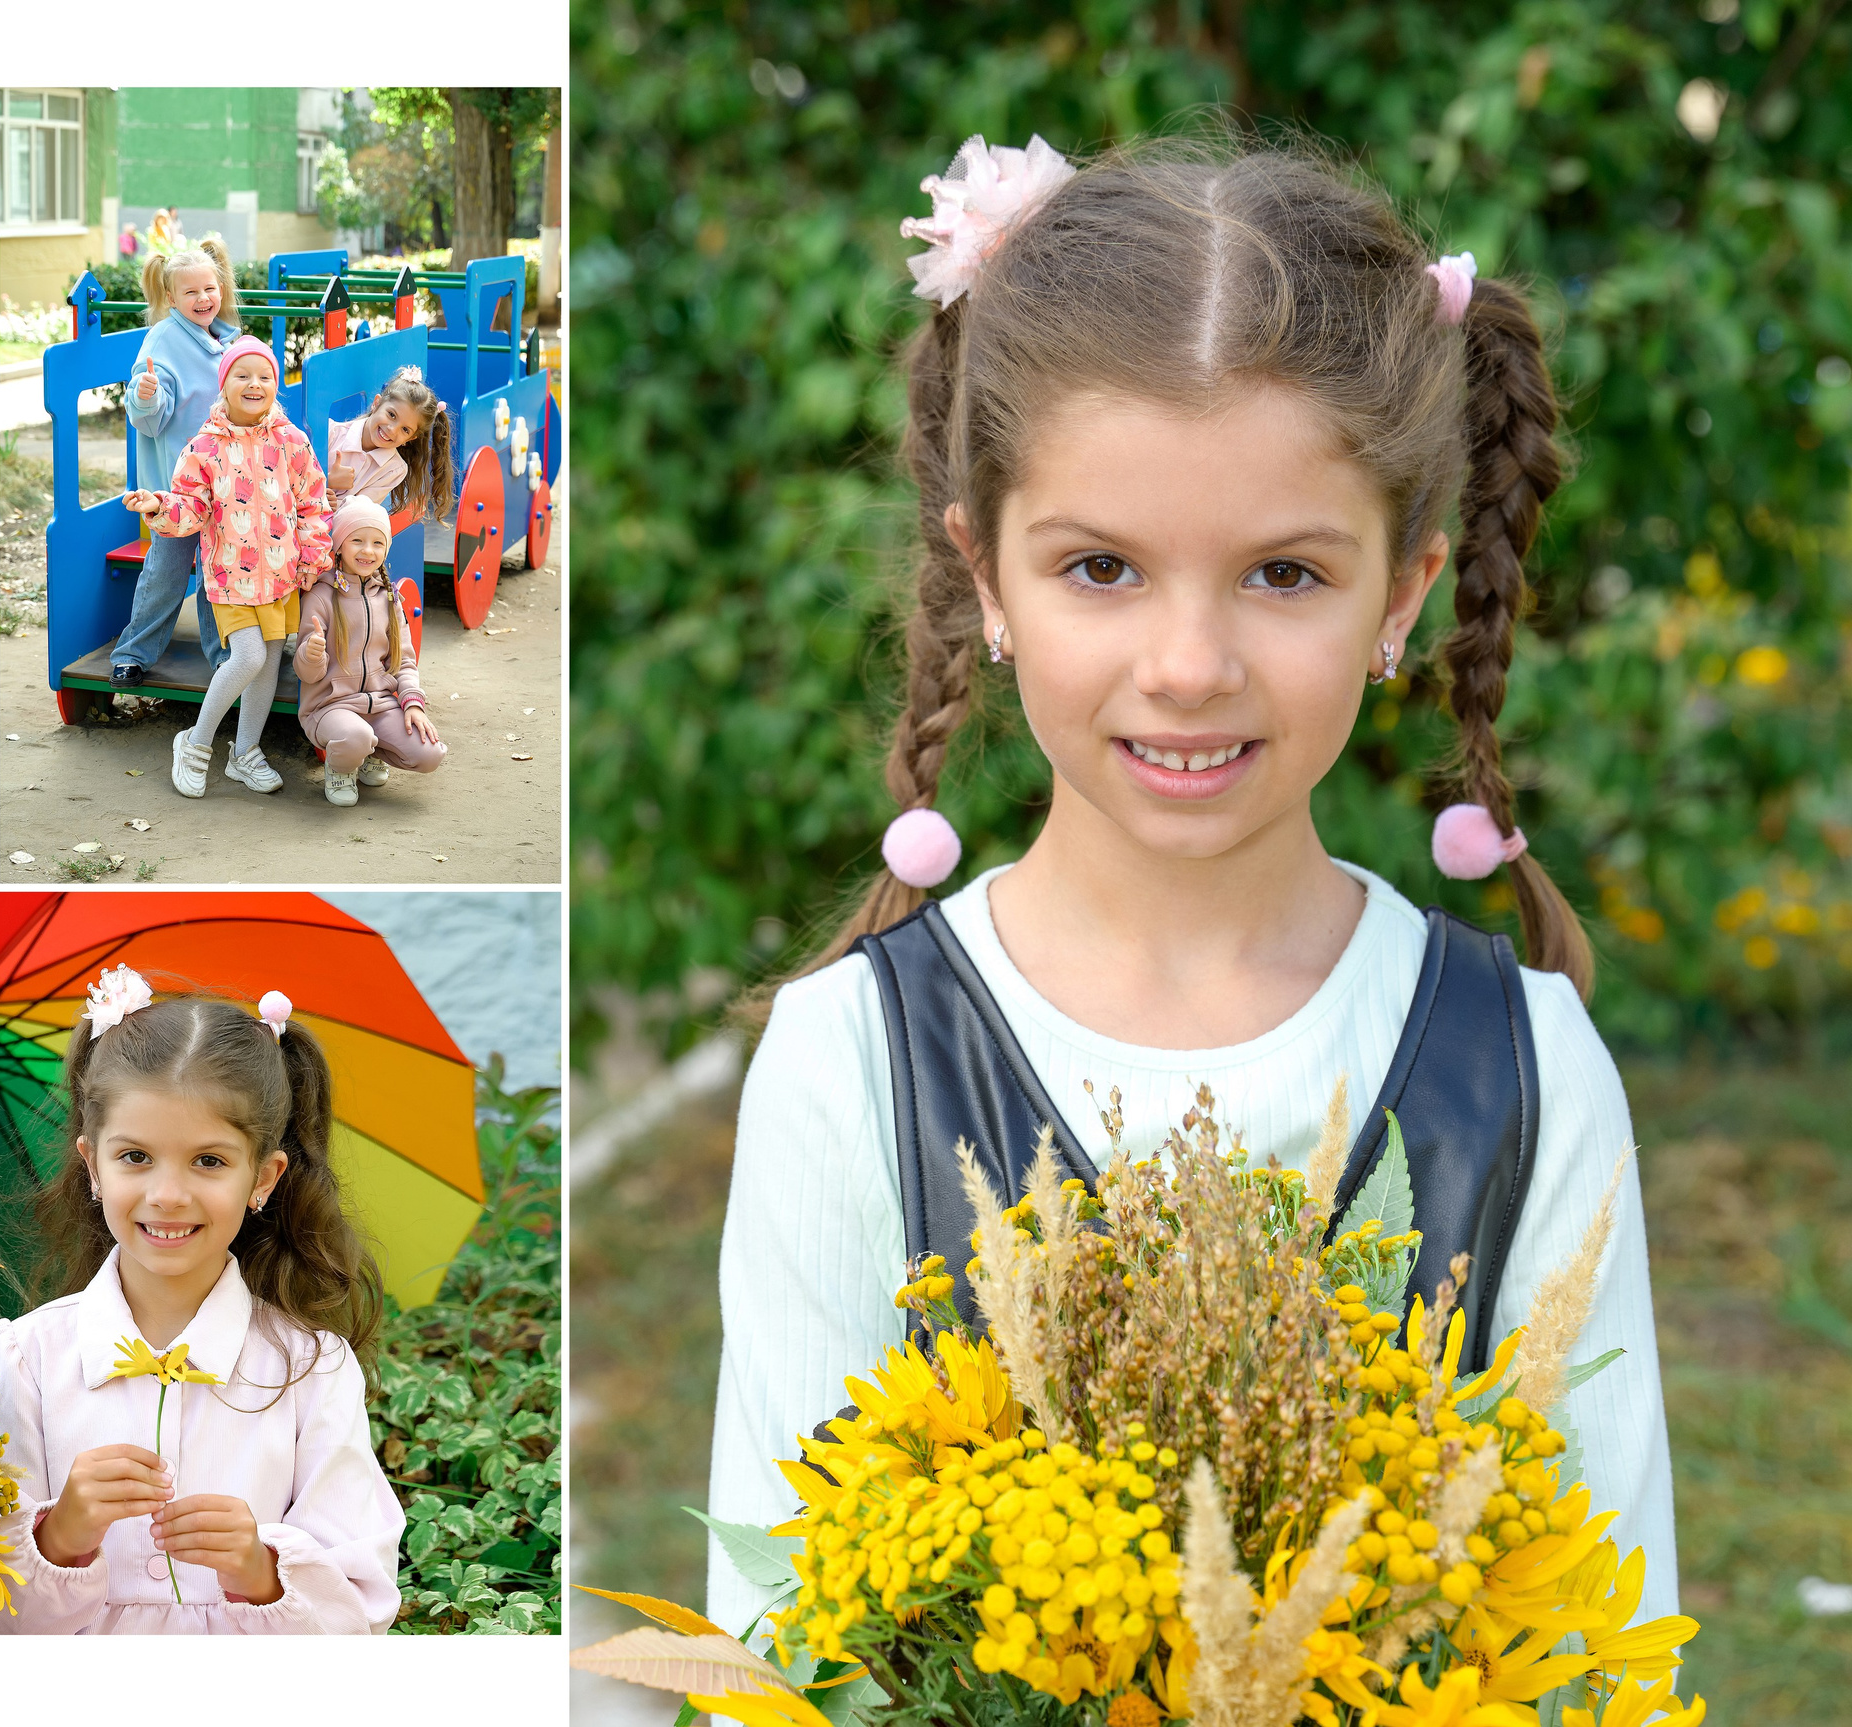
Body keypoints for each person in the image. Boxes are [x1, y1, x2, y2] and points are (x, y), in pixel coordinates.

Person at [706, 135, 1679, 1634]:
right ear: (987, 577)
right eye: (1101, 566)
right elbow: (776, 1646)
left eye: (1284, 573)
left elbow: (1606, 1651)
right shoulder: (849, 1065)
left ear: (1401, 595)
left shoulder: (1526, 1069)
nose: (1187, 665)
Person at [0, 972, 402, 1633]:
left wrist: (258, 1568)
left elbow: (362, 1607)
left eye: (208, 1160)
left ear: (263, 1177)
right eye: (136, 1156)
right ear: (93, 1165)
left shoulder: (313, 1369)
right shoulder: (27, 1360)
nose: (168, 1194)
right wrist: (61, 1533)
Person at [127, 338, 332, 799]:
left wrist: (313, 556)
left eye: (264, 376)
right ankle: (195, 744)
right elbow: (190, 508)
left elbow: (314, 504)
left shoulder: (292, 441)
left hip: (282, 577)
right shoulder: (204, 446)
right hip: (230, 579)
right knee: (249, 657)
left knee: (267, 667)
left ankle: (245, 753)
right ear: (225, 385)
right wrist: (159, 503)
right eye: (243, 375)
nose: (254, 383)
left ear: (276, 385)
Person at [110, 239, 240, 686]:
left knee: (216, 573)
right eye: (191, 293)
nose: (203, 298)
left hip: (224, 486)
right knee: (165, 572)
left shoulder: (226, 340)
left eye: (210, 288)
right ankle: (132, 653)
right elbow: (149, 412)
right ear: (171, 298)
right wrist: (145, 397)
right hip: (175, 491)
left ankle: (223, 657)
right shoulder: (163, 339)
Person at [295, 498, 444, 807]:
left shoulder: (390, 597)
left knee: (429, 753)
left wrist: (412, 703)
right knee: (355, 737)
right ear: (339, 545)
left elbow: (404, 660)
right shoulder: (321, 596)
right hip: (330, 707)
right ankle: (341, 768)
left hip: (381, 704)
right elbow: (306, 673)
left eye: (378, 542)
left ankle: (372, 752)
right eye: (357, 540)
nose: (368, 551)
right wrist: (312, 654)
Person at [324, 366, 454, 521]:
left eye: (405, 429)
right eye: (391, 414)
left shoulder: (394, 469)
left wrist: (331, 503)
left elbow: (358, 513)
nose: (392, 430)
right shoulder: (331, 433)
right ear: (376, 403)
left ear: (410, 438)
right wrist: (328, 480)